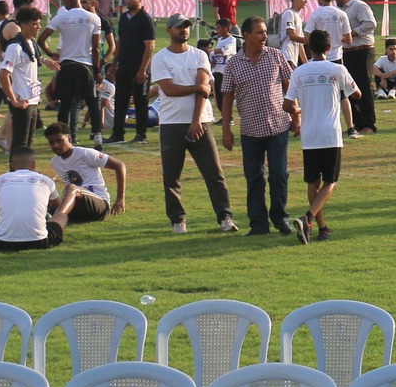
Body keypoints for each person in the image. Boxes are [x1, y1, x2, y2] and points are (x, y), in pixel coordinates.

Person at [150, 16, 235, 236]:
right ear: (169, 30)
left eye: (187, 26)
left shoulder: (200, 55)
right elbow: (169, 89)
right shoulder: (160, 58)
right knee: (171, 176)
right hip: (171, 122)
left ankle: (225, 217)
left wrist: (196, 120)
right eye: (180, 27)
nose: (184, 30)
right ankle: (178, 220)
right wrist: (197, 88)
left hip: (201, 122)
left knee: (214, 173)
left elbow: (203, 89)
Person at [217, 15, 295, 238]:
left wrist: (295, 116)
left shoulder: (276, 56)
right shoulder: (233, 64)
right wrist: (226, 130)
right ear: (247, 35)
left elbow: (290, 86)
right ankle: (258, 224)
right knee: (254, 178)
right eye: (259, 32)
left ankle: (281, 218)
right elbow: (227, 98)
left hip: (278, 125)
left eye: (265, 32)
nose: (264, 37)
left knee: (279, 175)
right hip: (250, 130)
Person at [284, 28, 356, 244]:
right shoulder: (337, 69)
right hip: (330, 134)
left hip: (309, 134)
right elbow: (357, 93)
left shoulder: (298, 72)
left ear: (308, 47)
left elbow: (287, 104)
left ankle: (321, 228)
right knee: (331, 181)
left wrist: (301, 109)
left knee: (312, 181)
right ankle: (308, 217)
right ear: (329, 47)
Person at [0, 148, 67, 251]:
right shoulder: (46, 181)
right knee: (62, 216)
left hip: (2, 242)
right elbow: (57, 205)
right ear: (34, 164)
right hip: (39, 241)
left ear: (12, 165)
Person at [45, 121, 126, 225]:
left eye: (59, 140)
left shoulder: (85, 153)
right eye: (51, 142)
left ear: (69, 138)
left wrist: (120, 198)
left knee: (71, 188)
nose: (55, 145)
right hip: (78, 207)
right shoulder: (55, 162)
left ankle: (57, 219)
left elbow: (119, 166)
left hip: (100, 204)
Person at [48, 0, 103, 139]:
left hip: (66, 65)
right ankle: (97, 134)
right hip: (85, 65)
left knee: (65, 104)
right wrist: (97, 70)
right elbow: (96, 48)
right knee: (92, 102)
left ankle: (63, 136)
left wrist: (50, 53)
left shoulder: (61, 17)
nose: (63, 4)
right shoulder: (93, 18)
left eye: (64, 0)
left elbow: (41, 39)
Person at [0, 7, 53, 153]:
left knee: (28, 144)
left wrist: (46, 61)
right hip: (22, 103)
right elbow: (3, 75)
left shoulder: (30, 43)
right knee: (19, 145)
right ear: (23, 26)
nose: (39, 27)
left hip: (32, 101)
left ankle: (25, 174)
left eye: (39, 23)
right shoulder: (15, 47)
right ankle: (14, 174)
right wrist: (14, 101)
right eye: (35, 24)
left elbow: (32, 58)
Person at [107, 0, 155, 143]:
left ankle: (141, 135)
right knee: (120, 101)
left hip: (139, 67)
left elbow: (149, 46)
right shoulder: (124, 18)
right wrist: (114, 64)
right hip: (124, 67)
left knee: (141, 102)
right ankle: (117, 133)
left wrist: (142, 70)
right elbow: (120, 41)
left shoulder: (145, 19)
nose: (128, 1)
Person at [334, 0, 378, 138]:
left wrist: (353, 32)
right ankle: (357, 123)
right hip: (347, 52)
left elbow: (370, 23)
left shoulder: (359, 6)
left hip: (362, 50)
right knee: (349, 88)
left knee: (364, 86)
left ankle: (369, 124)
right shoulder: (341, 11)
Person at [272, 0, 311, 65]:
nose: (306, 2)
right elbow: (291, 35)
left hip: (293, 59)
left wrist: (306, 64)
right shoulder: (289, 13)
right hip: (286, 55)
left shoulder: (298, 17)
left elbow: (300, 44)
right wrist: (308, 40)